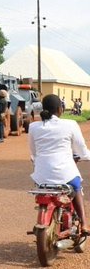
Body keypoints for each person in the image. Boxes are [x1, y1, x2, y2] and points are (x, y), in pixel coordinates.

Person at [30, 94, 90, 233]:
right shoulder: (70, 124)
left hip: (41, 177)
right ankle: (84, 223)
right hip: (65, 174)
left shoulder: (33, 126)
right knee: (77, 187)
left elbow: (34, 152)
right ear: (60, 109)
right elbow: (82, 152)